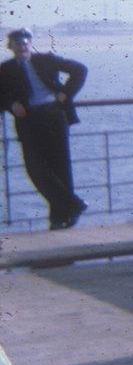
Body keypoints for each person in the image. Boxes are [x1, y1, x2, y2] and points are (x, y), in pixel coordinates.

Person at [0, 28, 87, 230]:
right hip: (28, 120)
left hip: (54, 115)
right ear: (10, 46)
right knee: (35, 168)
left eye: (25, 42)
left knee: (60, 167)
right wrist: (11, 104)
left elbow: (80, 70)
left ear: (30, 44)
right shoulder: (4, 69)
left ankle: (60, 218)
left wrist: (66, 94)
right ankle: (73, 205)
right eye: (17, 43)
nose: (22, 46)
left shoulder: (46, 60)